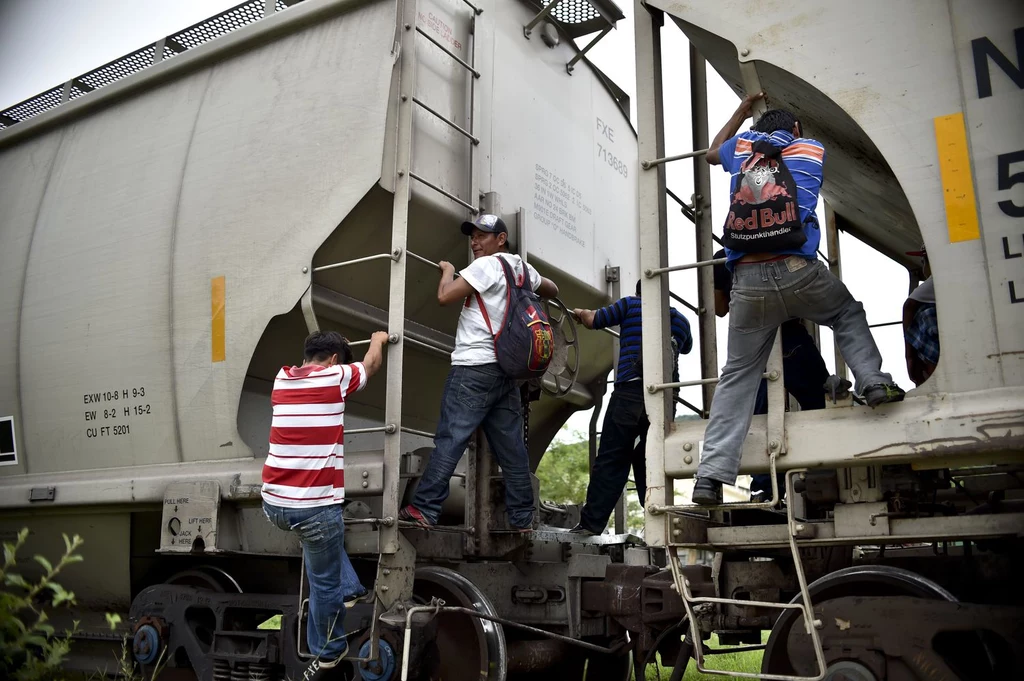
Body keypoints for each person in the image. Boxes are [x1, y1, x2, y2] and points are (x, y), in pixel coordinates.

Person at [692, 95, 904, 505]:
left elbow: (709, 154)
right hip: (799, 270)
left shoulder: (743, 149)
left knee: (737, 376)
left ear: (757, 131)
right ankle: (873, 382)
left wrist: (742, 112)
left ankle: (710, 477)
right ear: (797, 131)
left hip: (747, 283)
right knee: (845, 312)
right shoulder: (811, 148)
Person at [400, 214, 559, 531]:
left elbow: (445, 296)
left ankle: (425, 508)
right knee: (512, 449)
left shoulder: (485, 266)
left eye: (483, 235)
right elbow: (552, 289)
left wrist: (447, 272)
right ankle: (522, 518)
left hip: (473, 368)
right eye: (472, 236)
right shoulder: (522, 268)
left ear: (501, 238)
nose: (475, 242)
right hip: (506, 372)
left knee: (450, 439)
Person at [262, 329, 389, 677]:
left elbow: (319, 359)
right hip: (312, 511)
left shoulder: (282, 378)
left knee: (318, 540)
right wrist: (378, 338)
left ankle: (350, 588)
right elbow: (372, 363)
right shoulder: (335, 377)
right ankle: (328, 649)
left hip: (273, 504)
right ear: (334, 361)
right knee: (323, 582)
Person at [570, 281, 693, 535]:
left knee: (612, 458)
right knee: (650, 458)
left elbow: (595, 320)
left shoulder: (631, 305)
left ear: (640, 292)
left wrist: (581, 314)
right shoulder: (681, 321)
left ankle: (591, 525)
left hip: (630, 393)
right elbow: (688, 346)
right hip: (666, 401)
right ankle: (658, 519)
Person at [712, 248, 830, 498]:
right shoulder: (783, 245)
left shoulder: (723, 258)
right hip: (791, 335)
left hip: (752, 341)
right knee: (820, 405)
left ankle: (765, 490)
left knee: (759, 415)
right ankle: (825, 475)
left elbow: (719, 308)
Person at [903, 246, 939, 386]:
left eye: (923, 262)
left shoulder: (936, 279)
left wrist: (910, 357)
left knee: (924, 316)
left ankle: (931, 370)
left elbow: (909, 305)